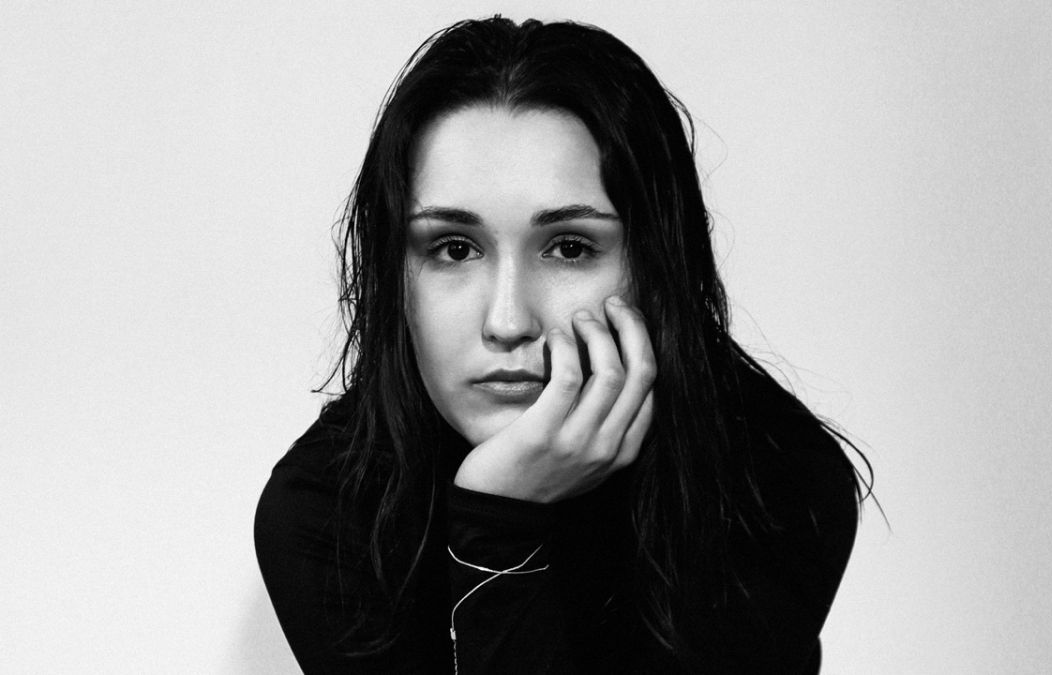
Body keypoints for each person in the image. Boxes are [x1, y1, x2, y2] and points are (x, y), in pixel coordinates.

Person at [254, 16, 870, 674]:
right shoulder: (328, 513)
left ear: (654, 268)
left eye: (570, 248)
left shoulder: (774, 483)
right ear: (396, 276)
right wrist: (497, 525)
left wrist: (499, 528)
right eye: (454, 249)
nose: (507, 321)